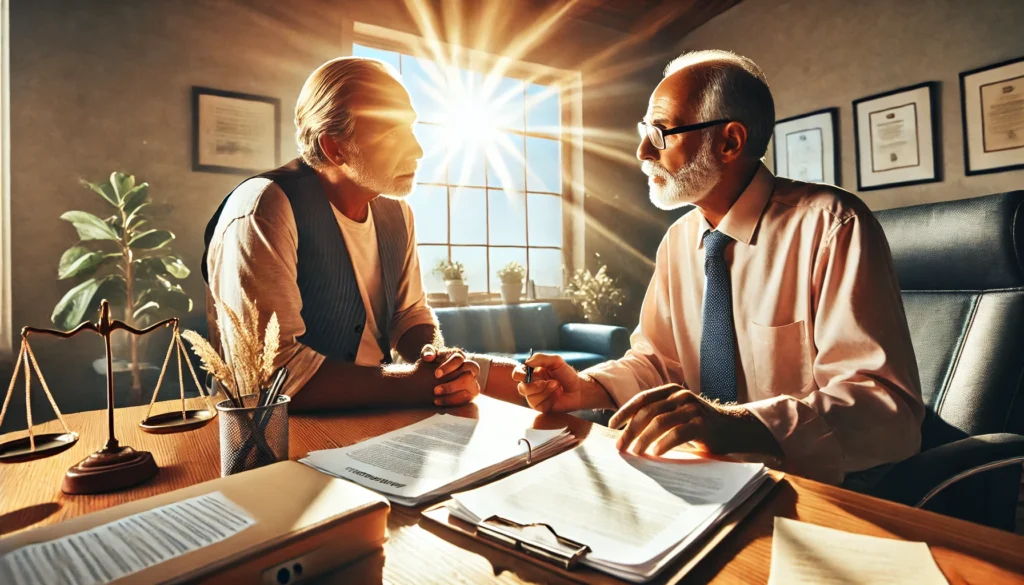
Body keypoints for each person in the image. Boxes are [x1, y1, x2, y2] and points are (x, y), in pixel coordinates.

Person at [514, 50, 924, 485]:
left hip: (818, 487)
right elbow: (658, 362)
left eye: (660, 133)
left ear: (729, 142)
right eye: (643, 133)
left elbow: (885, 407)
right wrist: (585, 388)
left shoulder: (831, 225)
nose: (641, 152)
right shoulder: (678, 240)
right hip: (705, 479)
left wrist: (741, 425)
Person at [202, 57, 482, 411]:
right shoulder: (265, 207)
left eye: (410, 129)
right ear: (334, 148)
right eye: (392, 132)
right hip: (277, 435)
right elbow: (272, 377)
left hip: (376, 418)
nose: (417, 150)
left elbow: (408, 314)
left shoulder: (397, 213)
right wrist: (413, 385)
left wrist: (436, 363)